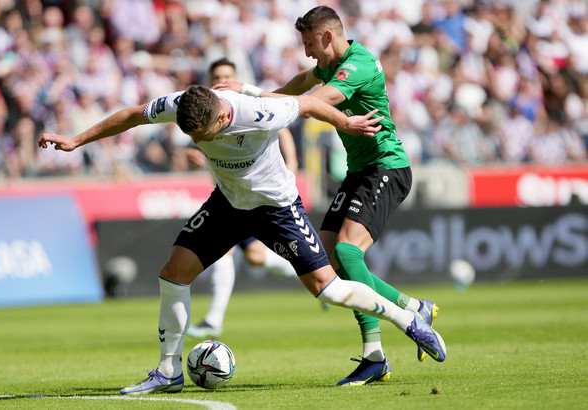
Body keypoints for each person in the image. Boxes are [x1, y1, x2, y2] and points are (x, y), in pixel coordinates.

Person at [38, 84, 446, 395]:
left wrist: (345, 122)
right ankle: (168, 371)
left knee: (327, 288)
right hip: (229, 203)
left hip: (276, 208)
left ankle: (408, 319)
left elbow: (306, 104)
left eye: (201, 135)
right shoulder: (184, 104)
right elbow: (131, 114)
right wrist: (77, 140)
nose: (197, 143)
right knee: (173, 272)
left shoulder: (262, 112)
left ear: (220, 120)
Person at [214, 5, 440, 386]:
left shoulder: (358, 65)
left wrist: (248, 93)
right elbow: (298, 85)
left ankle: (375, 356)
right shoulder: (329, 64)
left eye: (309, 44)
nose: (307, 52)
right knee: (328, 261)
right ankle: (414, 308)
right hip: (360, 172)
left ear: (328, 36)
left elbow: (310, 104)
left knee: (349, 252)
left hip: (386, 167)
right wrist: (253, 100)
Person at [186, 58, 298, 340]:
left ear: (235, 78)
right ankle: (312, 275)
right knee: (256, 258)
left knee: (239, 254)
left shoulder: (249, 104)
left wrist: (291, 166)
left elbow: (282, 128)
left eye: (227, 75)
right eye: (217, 76)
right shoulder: (206, 113)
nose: (222, 80)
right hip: (232, 196)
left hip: (258, 197)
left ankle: (213, 320)